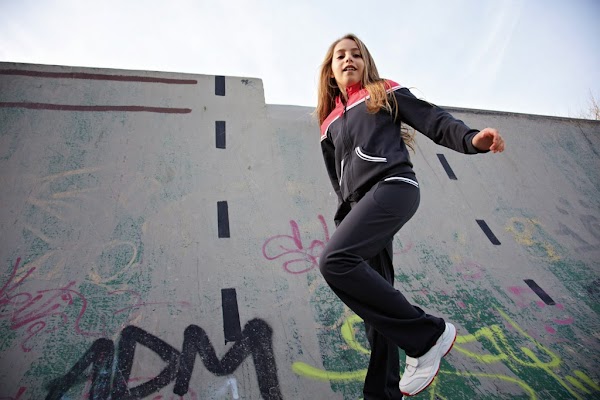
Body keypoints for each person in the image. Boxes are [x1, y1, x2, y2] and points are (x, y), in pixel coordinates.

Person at [316, 33, 505, 399]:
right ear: (330, 72)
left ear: (366, 63)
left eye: (356, 54)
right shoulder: (328, 123)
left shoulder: (383, 91)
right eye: (340, 56)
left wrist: (471, 139)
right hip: (361, 209)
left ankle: (429, 335)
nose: (349, 59)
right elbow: (338, 180)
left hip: (393, 186)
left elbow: (433, 119)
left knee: (333, 261)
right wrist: (345, 223)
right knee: (376, 310)